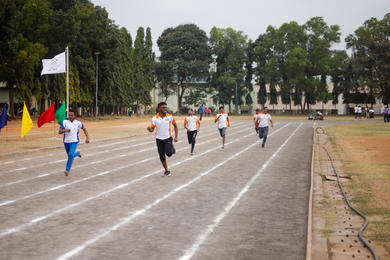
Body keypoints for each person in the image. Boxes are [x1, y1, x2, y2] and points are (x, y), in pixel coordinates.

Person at [147, 102, 178, 177]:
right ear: (159, 108)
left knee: (169, 154)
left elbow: (175, 126)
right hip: (159, 139)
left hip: (168, 138)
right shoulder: (155, 118)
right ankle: (167, 170)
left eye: (165, 107)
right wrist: (149, 129)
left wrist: (176, 137)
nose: (165, 109)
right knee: (161, 156)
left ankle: (171, 148)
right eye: (163, 107)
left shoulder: (170, 117)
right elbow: (152, 129)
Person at [59, 109, 90, 176]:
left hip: (74, 141)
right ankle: (77, 153)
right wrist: (65, 130)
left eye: (72, 115)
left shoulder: (78, 123)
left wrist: (87, 138)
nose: (70, 116)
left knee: (70, 155)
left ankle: (67, 170)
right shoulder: (64, 122)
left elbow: (84, 129)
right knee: (70, 156)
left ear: (74, 115)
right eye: (69, 115)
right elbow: (59, 131)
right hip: (66, 142)